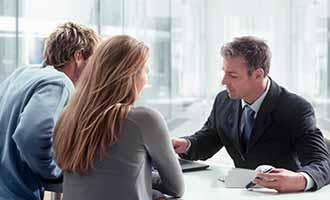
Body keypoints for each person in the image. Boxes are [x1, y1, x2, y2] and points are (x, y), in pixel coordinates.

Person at [172, 36, 330, 192]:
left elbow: (321, 162)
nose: (224, 82)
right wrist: (185, 144)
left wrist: (301, 180)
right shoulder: (224, 100)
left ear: (258, 75)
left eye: (233, 76)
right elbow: (210, 137)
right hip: (240, 192)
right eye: (224, 73)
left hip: (282, 196)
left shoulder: (295, 109)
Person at [53, 35, 184, 200]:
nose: (146, 79)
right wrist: (148, 179)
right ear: (129, 75)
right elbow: (176, 187)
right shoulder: (145, 120)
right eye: (145, 71)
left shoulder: (68, 117)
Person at [0, 22, 100, 200]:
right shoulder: (59, 82)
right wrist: (53, 172)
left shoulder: (22, 74)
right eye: (92, 62)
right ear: (78, 56)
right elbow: (31, 136)